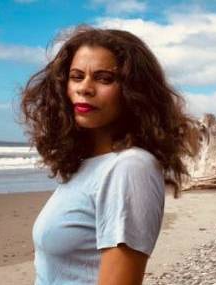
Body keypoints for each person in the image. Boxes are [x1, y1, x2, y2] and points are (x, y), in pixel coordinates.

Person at [20, 25, 198, 285]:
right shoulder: (88, 165)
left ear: (133, 91)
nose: (85, 88)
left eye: (104, 78)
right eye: (76, 76)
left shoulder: (130, 167)